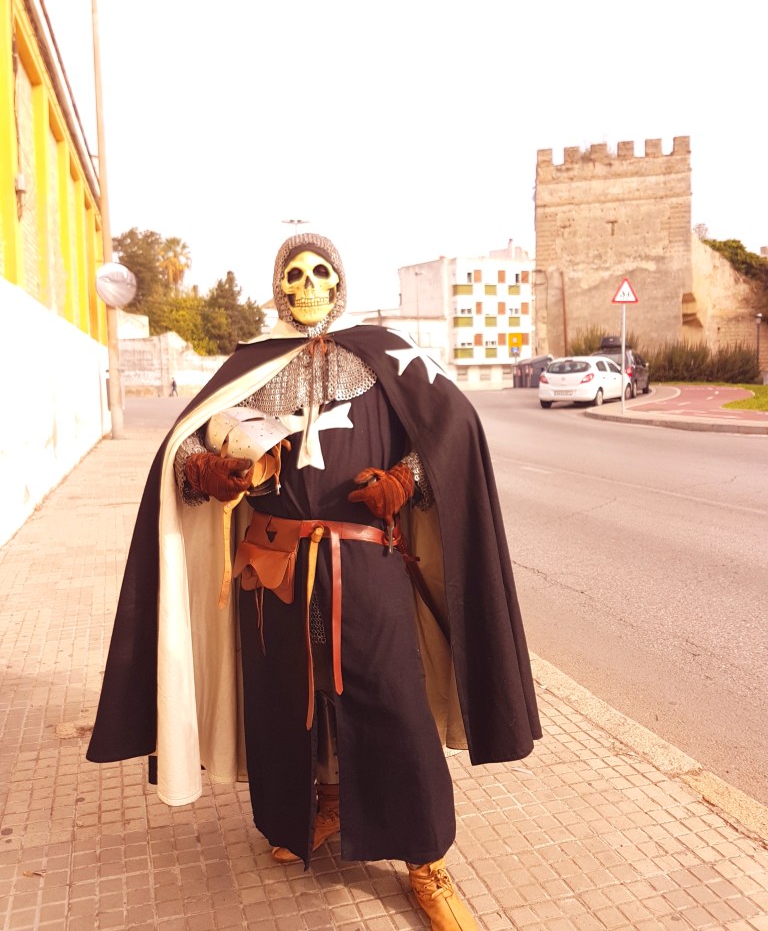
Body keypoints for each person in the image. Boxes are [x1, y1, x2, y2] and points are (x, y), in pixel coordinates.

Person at [87, 233, 541, 930]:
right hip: (272, 573)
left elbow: (449, 432)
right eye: (293, 274)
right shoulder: (251, 366)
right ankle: (317, 808)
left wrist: (403, 481)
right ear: (279, 286)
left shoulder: (381, 357)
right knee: (291, 706)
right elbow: (184, 450)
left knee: (393, 702)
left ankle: (426, 860)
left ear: (339, 282)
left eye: (319, 272)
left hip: (365, 564)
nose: (307, 284)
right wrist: (207, 473)